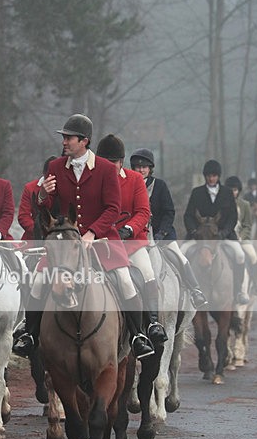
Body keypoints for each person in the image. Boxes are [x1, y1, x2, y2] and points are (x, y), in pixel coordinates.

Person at [12, 114, 154, 360]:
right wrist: (44, 197)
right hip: (65, 242)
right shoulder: (56, 167)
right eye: (64, 138)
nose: (64, 142)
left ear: (84, 141)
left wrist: (91, 233)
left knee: (125, 279)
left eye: (69, 138)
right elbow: (49, 209)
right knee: (38, 279)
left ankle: (137, 335)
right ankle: (30, 334)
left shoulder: (106, 169)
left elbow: (112, 208)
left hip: (101, 239)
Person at [96, 135, 167, 345]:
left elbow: (144, 212)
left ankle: (153, 322)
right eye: (105, 163)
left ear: (121, 162)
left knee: (147, 273)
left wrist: (129, 228)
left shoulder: (134, 180)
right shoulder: (94, 182)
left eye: (114, 163)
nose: (109, 167)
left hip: (131, 242)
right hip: (103, 244)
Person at [130, 147, 208, 309]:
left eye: (144, 166)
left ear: (150, 168)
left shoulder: (160, 186)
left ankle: (195, 290)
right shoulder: (129, 184)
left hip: (161, 233)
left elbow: (169, 212)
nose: (141, 169)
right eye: (138, 166)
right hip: (136, 234)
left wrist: (161, 233)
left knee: (179, 256)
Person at [182, 159, 249, 305]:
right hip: (200, 236)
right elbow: (188, 215)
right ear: (205, 176)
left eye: (214, 176)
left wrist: (224, 233)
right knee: (182, 253)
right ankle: (184, 293)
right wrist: (193, 231)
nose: (211, 178)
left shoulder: (227, 192)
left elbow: (233, 216)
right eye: (208, 176)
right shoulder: (197, 192)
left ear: (218, 176)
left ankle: (238, 291)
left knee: (240, 254)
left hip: (222, 235)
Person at [225, 176, 257, 296]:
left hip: (242, 238)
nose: (233, 192)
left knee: (253, 256)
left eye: (235, 190)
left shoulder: (245, 204)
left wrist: (241, 236)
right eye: (230, 190)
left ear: (239, 190)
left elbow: (247, 225)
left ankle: (256, 283)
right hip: (227, 238)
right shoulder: (221, 205)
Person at [17, 156, 56, 241]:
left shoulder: (65, 188)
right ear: (44, 173)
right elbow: (23, 216)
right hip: (34, 238)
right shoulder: (30, 188)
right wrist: (37, 230)